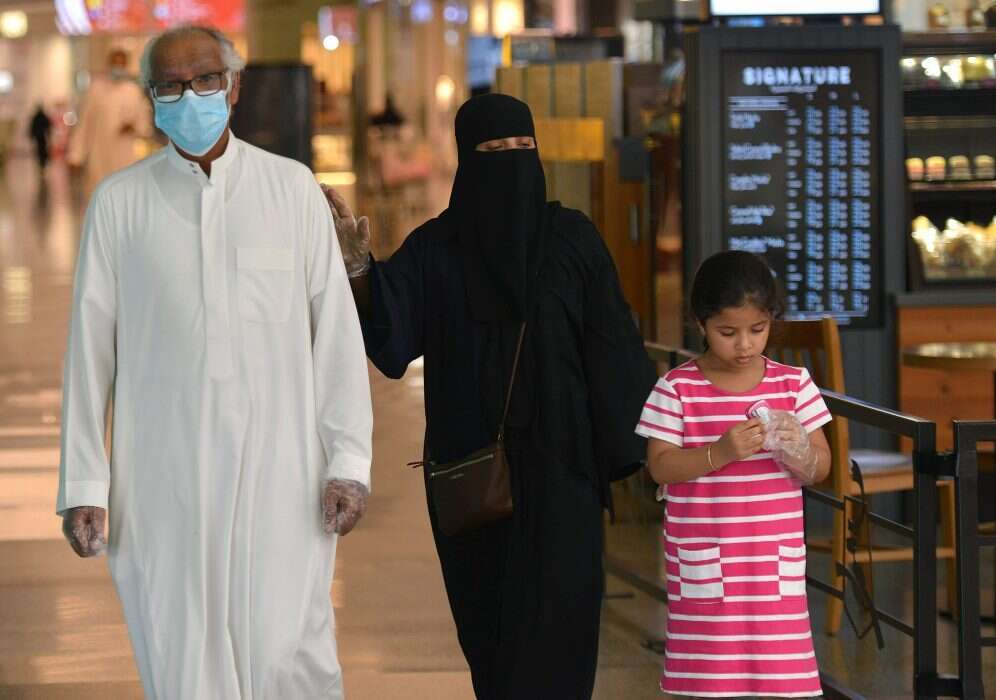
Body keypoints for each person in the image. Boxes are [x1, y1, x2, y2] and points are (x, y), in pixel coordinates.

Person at [57, 25, 373, 699]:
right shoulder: (120, 204)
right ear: (151, 98)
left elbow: (336, 337)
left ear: (233, 87)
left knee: (290, 654)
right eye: (171, 86)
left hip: (283, 473)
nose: (190, 96)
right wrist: (84, 482)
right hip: (162, 478)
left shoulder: (291, 190)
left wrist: (349, 461)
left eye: (204, 80)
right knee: (183, 657)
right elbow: (89, 351)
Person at [323, 93, 655, 699]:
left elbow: (613, 347)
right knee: (492, 640)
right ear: (468, 160)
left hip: (563, 481)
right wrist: (360, 272)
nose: (511, 160)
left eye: (522, 147)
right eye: (494, 149)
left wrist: (632, 450)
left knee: (561, 640)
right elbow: (394, 338)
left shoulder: (572, 241)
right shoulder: (436, 248)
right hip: (473, 485)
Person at [635, 250, 832, 698]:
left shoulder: (794, 384)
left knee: (781, 678)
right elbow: (659, 466)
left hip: (771, 568)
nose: (744, 344)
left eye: (757, 330)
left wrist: (800, 448)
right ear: (700, 324)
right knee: (710, 680)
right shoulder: (677, 388)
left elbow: (821, 468)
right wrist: (718, 453)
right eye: (728, 332)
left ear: (771, 320)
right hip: (710, 564)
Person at [67, 49, 153, 197]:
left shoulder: (133, 92)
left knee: (124, 196)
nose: (117, 68)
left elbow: (144, 126)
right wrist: (76, 156)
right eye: (115, 64)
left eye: (121, 64)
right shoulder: (96, 91)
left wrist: (132, 127)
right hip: (99, 155)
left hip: (124, 155)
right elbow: (84, 125)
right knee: (99, 195)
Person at [28, 104, 51, 171]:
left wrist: (32, 135)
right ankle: (42, 160)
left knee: (41, 148)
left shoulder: (37, 117)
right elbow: (47, 126)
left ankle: (42, 160)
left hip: (39, 136)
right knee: (42, 148)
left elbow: (33, 127)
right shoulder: (41, 116)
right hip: (42, 135)